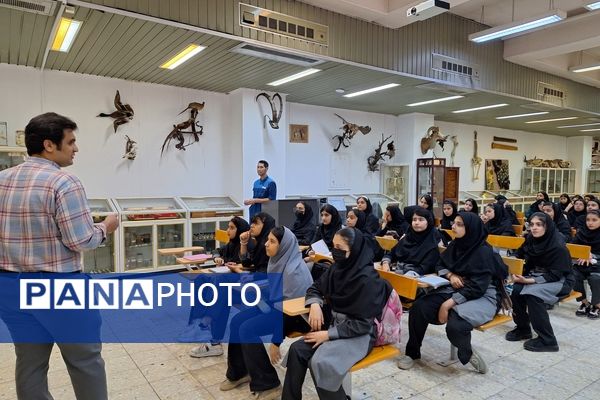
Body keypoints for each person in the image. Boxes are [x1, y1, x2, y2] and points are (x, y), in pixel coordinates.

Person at [0, 113, 119, 400]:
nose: (76, 148)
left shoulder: (2, 179)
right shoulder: (64, 183)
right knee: (85, 361)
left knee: (29, 363)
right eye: (71, 141)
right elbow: (81, 240)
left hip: (9, 288)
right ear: (49, 145)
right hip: (58, 289)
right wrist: (106, 227)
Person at [282, 228, 391, 399]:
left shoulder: (368, 281)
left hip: (359, 335)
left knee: (320, 362)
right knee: (297, 350)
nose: (335, 252)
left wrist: (327, 335)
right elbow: (315, 287)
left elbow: (362, 324)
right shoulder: (337, 269)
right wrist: (316, 305)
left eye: (340, 248)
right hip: (336, 327)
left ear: (354, 250)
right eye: (333, 246)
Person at [396, 212, 499, 374]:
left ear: (470, 228)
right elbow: (439, 264)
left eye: (459, 224)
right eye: (454, 223)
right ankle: (412, 353)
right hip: (455, 287)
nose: (453, 226)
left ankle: (467, 352)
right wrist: (451, 275)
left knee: (455, 326)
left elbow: (478, 287)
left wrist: (448, 304)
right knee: (419, 308)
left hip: (481, 294)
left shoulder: (483, 252)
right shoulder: (456, 245)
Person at [222, 227, 312, 399]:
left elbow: (291, 312)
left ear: (284, 245)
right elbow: (275, 294)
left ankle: (269, 384)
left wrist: (276, 341)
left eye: (272, 241)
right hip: (279, 308)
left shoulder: (295, 272)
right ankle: (240, 372)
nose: (266, 244)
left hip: (296, 317)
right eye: (267, 240)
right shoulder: (277, 260)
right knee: (237, 321)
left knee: (247, 329)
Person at [506, 213, 573, 352]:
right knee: (516, 290)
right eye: (531, 225)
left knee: (533, 295)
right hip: (537, 276)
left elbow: (555, 274)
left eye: (539, 225)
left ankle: (548, 340)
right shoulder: (530, 239)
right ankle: (523, 329)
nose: (534, 228)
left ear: (547, 226)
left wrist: (529, 280)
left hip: (561, 280)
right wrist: (512, 266)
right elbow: (518, 254)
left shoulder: (557, 246)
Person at [185, 216, 251, 358]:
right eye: (228, 227)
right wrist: (217, 258)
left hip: (241, 288)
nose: (227, 231)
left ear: (241, 230)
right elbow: (216, 250)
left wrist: (234, 268)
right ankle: (198, 321)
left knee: (220, 291)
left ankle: (210, 330)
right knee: (201, 279)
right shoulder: (231, 244)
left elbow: (247, 267)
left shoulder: (247, 246)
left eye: (232, 228)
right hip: (228, 283)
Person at [380, 207, 440, 276]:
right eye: (414, 220)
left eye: (421, 220)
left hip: (415, 277)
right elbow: (391, 253)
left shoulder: (431, 243)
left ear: (428, 222)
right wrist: (385, 263)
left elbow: (424, 268)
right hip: (397, 272)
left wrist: (400, 273)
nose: (417, 223)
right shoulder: (408, 237)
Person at [572, 210, 600, 319]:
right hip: (582, 264)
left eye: (594, 220)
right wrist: (581, 253)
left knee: (595, 279)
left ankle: (597, 305)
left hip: (598, 265)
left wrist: (593, 256)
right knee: (573, 275)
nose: (590, 223)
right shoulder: (582, 233)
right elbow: (572, 247)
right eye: (588, 220)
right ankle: (584, 303)